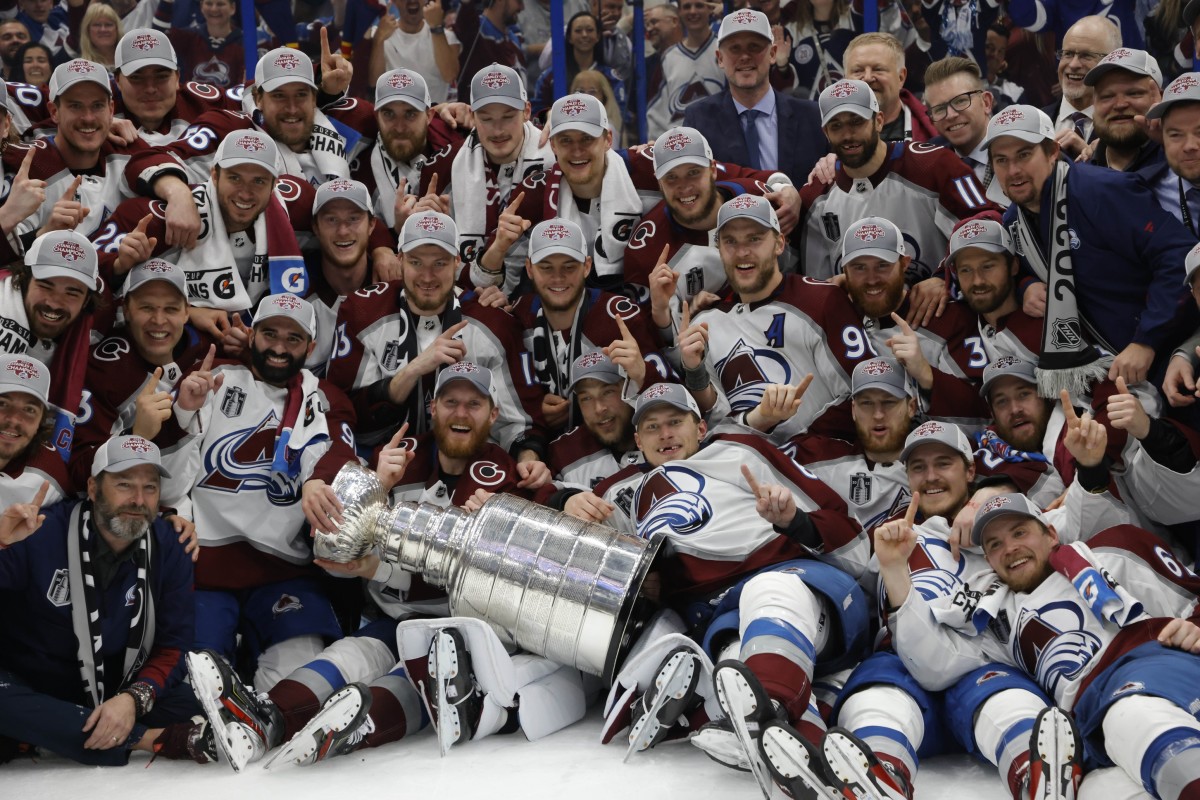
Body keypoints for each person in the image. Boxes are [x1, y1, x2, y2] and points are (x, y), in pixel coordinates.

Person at [169, 362, 568, 771]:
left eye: (473, 404)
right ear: (433, 407)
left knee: (415, 676)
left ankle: (350, 731)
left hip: (467, 629)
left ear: (493, 414)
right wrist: (377, 487)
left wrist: (556, 501)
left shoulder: (510, 477)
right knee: (345, 658)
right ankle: (263, 720)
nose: (461, 413)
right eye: (451, 402)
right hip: (393, 619)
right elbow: (333, 552)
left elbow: (536, 544)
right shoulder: (398, 459)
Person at [763, 417, 1122, 800]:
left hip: (985, 660)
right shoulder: (889, 533)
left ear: (970, 470)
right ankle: (877, 780)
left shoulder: (1013, 524)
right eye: (918, 467)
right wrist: (796, 523)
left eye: (943, 464)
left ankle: (1039, 778)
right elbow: (842, 554)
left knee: (1006, 698)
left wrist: (995, 494)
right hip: (901, 663)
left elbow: (1080, 522)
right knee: (877, 696)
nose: (930, 476)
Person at [591, 383, 869, 792]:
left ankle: (760, 714)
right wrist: (567, 501)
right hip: (721, 619)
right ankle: (803, 751)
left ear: (700, 427)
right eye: (652, 427)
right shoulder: (622, 498)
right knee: (734, 658)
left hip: (801, 586)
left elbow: (843, 524)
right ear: (637, 440)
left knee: (769, 594)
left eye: (675, 422)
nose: (665, 434)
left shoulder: (740, 450)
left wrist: (793, 520)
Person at [881, 491, 1200, 800]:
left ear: (1050, 533)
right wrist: (895, 569)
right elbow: (934, 665)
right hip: (1091, 727)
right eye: (995, 544)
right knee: (1100, 791)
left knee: (1132, 716)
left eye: (1020, 532)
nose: (1009, 548)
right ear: (989, 560)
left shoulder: (1113, 552)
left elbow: (1192, 598)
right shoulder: (993, 620)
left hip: (1149, 671)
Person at [168, 293, 359, 691]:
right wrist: (183, 411)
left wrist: (318, 478)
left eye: (293, 339)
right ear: (252, 335)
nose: (278, 347)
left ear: (309, 347)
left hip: (283, 572)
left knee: (299, 680)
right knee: (198, 683)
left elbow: (340, 450)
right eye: (270, 333)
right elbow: (170, 461)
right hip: (206, 571)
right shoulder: (214, 379)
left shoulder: (325, 398)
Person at [0, 435, 196, 767]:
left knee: (197, 703)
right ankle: (144, 739)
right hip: (32, 684)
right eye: (123, 485)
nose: (138, 499)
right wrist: (0, 544)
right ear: (92, 488)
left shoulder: (171, 545)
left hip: (117, 686)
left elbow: (174, 645)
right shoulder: (39, 532)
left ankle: (49, 734)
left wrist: (133, 700)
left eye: (150, 488)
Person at [986, 103, 1196, 389]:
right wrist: (1026, 285)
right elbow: (1026, 267)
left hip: (1171, 354)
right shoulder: (1014, 220)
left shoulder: (1101, 190)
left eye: (1024, 155)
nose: (1013, 170)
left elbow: (1181, 257)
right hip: (1109, 370)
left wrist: (1146, 340)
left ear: (1052, 152)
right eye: (1001, 160)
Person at [326, 209, 548, 461]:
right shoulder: (362, 312)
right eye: (416, 262)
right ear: (400, 260)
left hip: (469, 471)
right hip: (384, 464)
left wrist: (528, 460)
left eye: (439, 263)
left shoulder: (493, 322)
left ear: (456, 262)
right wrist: (411, 372)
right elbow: (344, 415)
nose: (427, 276)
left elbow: (520, 424)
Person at [93, 129, 312, 346]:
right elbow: (84, 280)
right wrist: (119, 267)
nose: (245, 193)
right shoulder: (151, 220)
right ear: (214, 175)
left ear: (274, 185)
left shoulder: (294, 208)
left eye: (259, 181)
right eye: (235, 178)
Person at [677, 194, 867, 443]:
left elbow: (864, 395)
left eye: (754, 239)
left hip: (823, 463)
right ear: (719, 250)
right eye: (730, 242)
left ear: (779, 243)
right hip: (744, 463)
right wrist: (694, 371)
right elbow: (714, 420)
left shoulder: (820, 300)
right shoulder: (705, 323)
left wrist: (795, 450)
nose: (742, 252)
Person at [798, 79, 994, 297]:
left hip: (938, 322)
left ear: (878, 121)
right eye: (836, 126)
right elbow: (815, 288)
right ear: (825, 132)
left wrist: (947, 277)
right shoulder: (814, 196)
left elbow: (989, 222)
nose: (847, 135)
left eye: (857, 121)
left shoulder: (936, 166)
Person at [129, 40, 365, 188]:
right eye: (279, 96)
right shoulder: (228, 128)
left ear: (315, 97)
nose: (292, 108)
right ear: (259, 99)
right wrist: (176, 191)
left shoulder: (351, 120)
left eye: (301, 95)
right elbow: (146, 162)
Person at [507, 218, 668, 435]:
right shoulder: (517, 316)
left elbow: (671, 393)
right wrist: (535, 410)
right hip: (549, 450)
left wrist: (643, 375)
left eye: (569, 266)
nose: (558, 277)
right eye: (546, 267)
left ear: (587, 266)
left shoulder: (619, 317)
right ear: (529, 269)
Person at [69, 259, 214, 489]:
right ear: (126, 309)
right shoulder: (104, 372)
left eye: (171, 309)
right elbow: (75, 472)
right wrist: (135, 435)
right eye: (147, 307)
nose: (158, 320)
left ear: (187, 312)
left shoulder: (205, 346)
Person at [682, 9, 828, 190]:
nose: (744, 56)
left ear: (773, 54)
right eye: (735, 48)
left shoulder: (812, 117)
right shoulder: (699, 120)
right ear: (720, 58)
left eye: (754, 47)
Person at [0, 230, 108, 459]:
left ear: (86, 300)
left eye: (72, 292)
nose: (54, 303)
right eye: (46, 286)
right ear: (25, 279)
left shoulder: (81, 332)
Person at [446, 62, 552, 285]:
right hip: (473, 290)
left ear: (527, 111)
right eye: (486, 119)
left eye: (507, 116)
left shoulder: (556, 155)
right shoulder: (450, 163)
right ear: (472, 117)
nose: (498, 130)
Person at [350, 68, 464, 237]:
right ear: (376, 116)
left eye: (410, 114)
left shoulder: (459, 147)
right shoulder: (358, 169)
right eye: (389, 114)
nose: (400, 127)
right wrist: (398, 231)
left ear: (430, 115)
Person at [111, 28, 242, 146]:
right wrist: (97, 127)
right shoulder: (100, 109)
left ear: (177, 77)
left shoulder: (200, 102)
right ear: (117, 80)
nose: (150, 89)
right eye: (136, 78)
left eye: (161, 77)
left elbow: (255, 94)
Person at [922, 56, 1007, 207]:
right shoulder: (927, 163)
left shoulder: (1020, 145)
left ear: (986, 103)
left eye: (960, 101)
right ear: (931, 120)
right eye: (940, 109)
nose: (951, 115)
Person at [1040, 16, 1120, 156]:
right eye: (1068, 54)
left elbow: (1130, 177)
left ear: (1111, 64)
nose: (1073, 64)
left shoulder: (1126, 126)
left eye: (1086, 55)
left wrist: (1091, 157)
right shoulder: (1036, 121)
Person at [645, 0, 724, 138]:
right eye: (687, 7)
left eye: (699, 5)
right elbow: (656, 114)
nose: (693, 11)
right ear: (680, 13)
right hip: (682, 148)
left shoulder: (725, 49)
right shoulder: (669, 57)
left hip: (721, 142)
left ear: (709, 9)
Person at [0, 353, 69, 508]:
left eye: (29, 410)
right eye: (2, 404)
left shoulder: (47, 475)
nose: (14, 419)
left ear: (41, 422)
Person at [1082, 47, 1164, 172]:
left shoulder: (1184, 171)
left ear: (1159, 98)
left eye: (1134, 93)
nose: (1120, 105)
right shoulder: (1078, 176)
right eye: (1107, 96)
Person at [844, 32, 937, 142]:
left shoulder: (937, 129)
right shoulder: (823, 137)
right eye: (857, 71)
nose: (868, 78)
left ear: (901, 77)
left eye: (878, 69)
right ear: (845, 80)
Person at [531, 12, 625, 121]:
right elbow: (536, 114)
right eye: (578, 31)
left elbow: (621, 114)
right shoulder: (550, 77)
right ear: (569, 37)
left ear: (598, 36)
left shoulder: (611, 77)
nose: (584, 35)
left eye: (590, 30)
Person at [367, 0, 461, 106]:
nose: (412, 1)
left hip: (433, 115)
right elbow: (374, 83)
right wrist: (378, 40)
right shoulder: (380, 33)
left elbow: (450, 76)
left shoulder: (447, 37)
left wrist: (436, 28)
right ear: (394, 1)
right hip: (394, 114)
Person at [453, 0, 526, 104]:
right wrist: (466, 3)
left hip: (515, 112)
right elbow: (464, 24)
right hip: (479, 114)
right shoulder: (475, 30)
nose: (522, 7)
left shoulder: (514, 37)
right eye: (518, 1)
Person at [75, 3, 122, 73]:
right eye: (97, 25)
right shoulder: (80, 69)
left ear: (117, 29)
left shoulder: (130, 62)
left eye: (108, 25)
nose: (103, 29)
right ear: (87, 31)